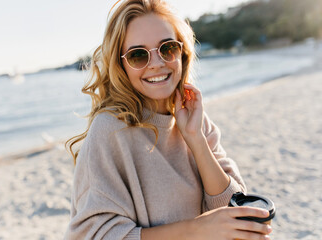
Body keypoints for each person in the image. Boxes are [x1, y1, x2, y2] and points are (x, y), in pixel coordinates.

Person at [64, 0, 272, 239]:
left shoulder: (193, 117)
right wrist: (197, 229)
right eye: (138, 55)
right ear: (121, 65)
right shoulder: (110, 129)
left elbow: (231, 211)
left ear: (182, 53)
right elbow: (92, 235)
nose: (156, 63)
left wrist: (196, 139)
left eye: (168, 48)